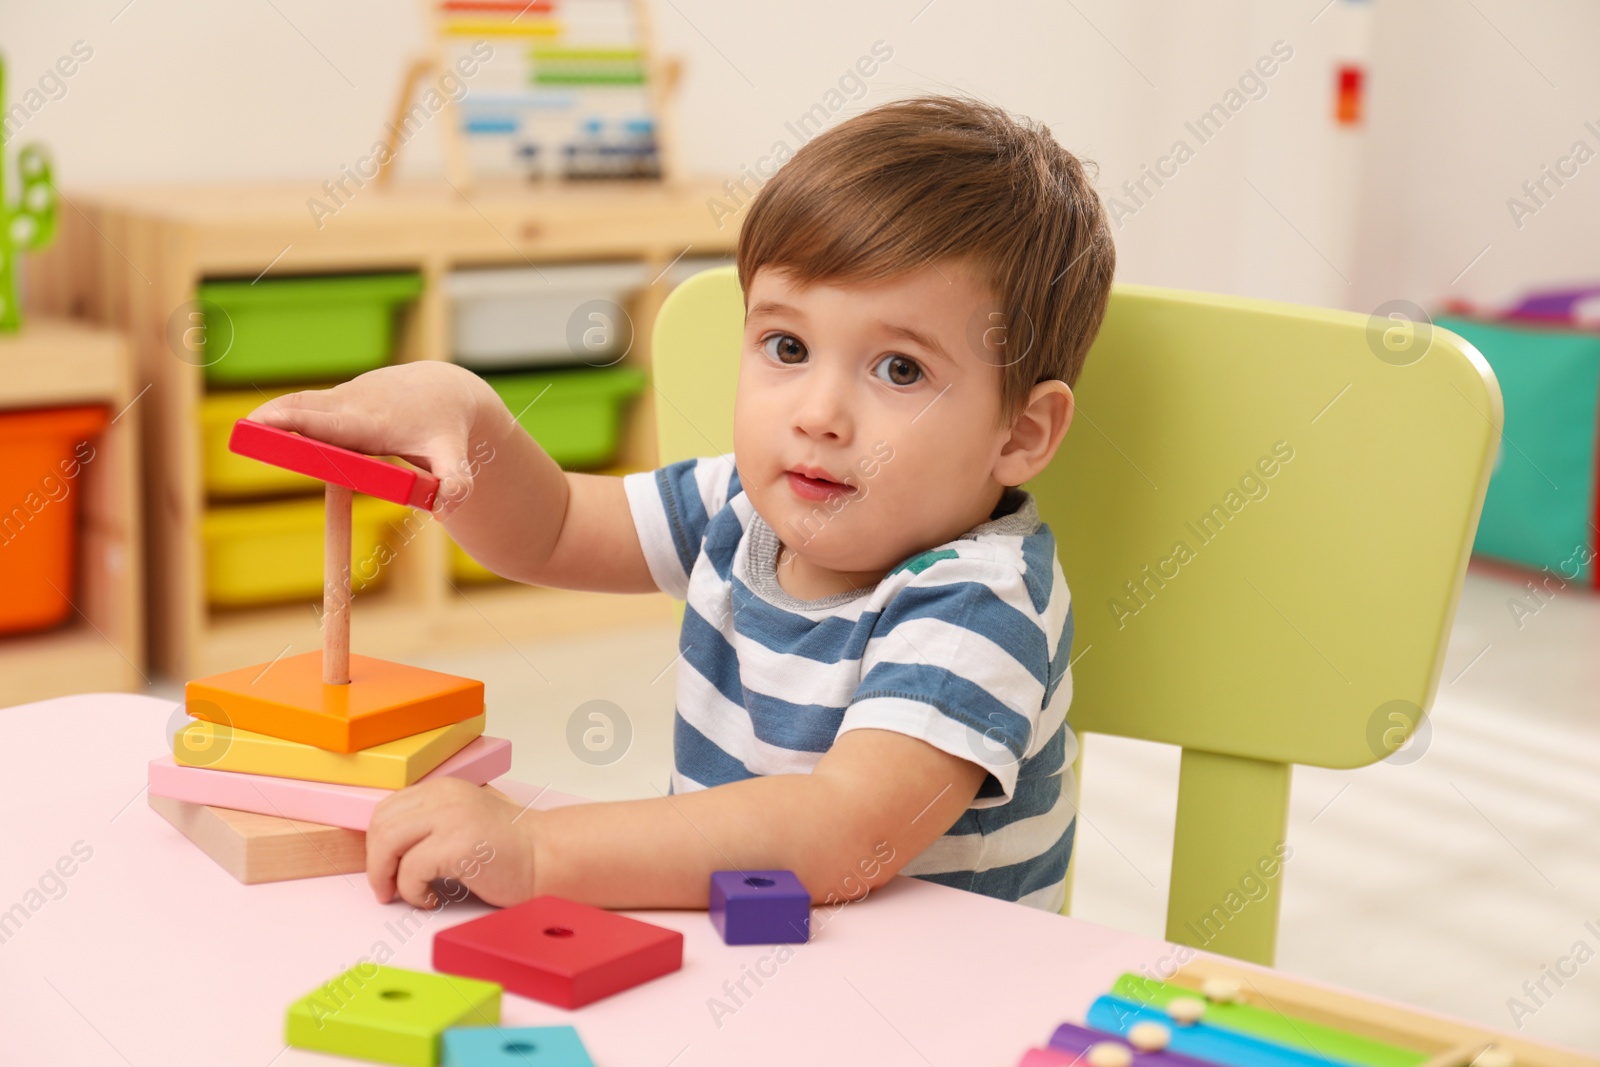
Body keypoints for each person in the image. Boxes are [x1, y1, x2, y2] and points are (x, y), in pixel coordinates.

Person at [249, 92, 1115, 915]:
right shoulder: (741, 508)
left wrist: (542, 850)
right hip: (745, 966)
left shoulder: (981, 599)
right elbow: (549, 529)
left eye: (900, 369)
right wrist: (464, 409)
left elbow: (845, 830)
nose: (818, 414)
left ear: (1023, 433)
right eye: (787, 344)